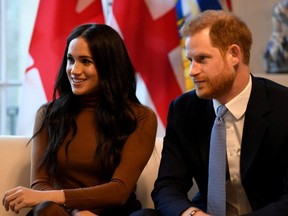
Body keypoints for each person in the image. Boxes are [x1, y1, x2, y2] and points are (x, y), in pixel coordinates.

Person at [132, 9, 288, 216]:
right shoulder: (183, 110)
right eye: (190, 60)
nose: (192, 71)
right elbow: (167, 186)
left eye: (202, 59)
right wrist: (191, 214)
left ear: (234, 54)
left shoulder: (282, 106)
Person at [2, 23, 157, 215]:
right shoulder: (49, 115)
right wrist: (76, 211)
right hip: (63, 213)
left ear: (109, 65)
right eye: (70, 60)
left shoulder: (141, 117)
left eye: (85, 61)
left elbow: (119, 190)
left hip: (117, 213)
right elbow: (40, 184)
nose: (74, 70)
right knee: (45, 209)